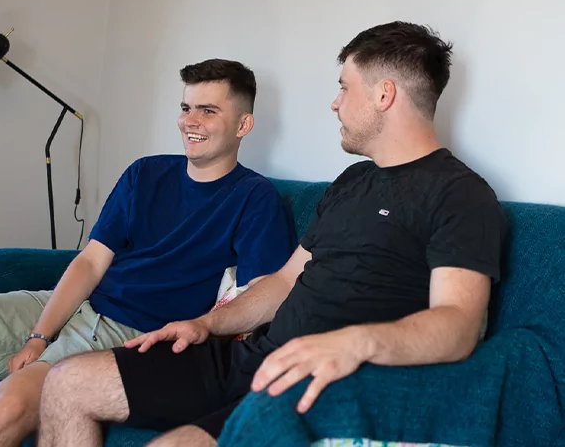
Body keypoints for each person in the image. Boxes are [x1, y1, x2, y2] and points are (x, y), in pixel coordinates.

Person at [36, 22, 507, 447]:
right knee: (65, 382)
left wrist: (353, 343)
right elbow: (282, 283)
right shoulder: (350, 184)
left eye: (344, 87)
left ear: (384, 95)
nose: (335, 101)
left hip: (316, 380)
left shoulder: (460, 194)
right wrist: (208, 324)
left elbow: (458, 323)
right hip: (250, 359)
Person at [0, 58, 296, 447]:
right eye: (185, 107)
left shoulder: (255, 198)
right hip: (82, 305)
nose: (190, 121)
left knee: (7, 405)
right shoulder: (146, 172)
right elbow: (91, 261)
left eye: (208, 110)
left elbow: (259, 294)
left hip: (133, 333)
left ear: (243, 124)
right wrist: (40, 335)